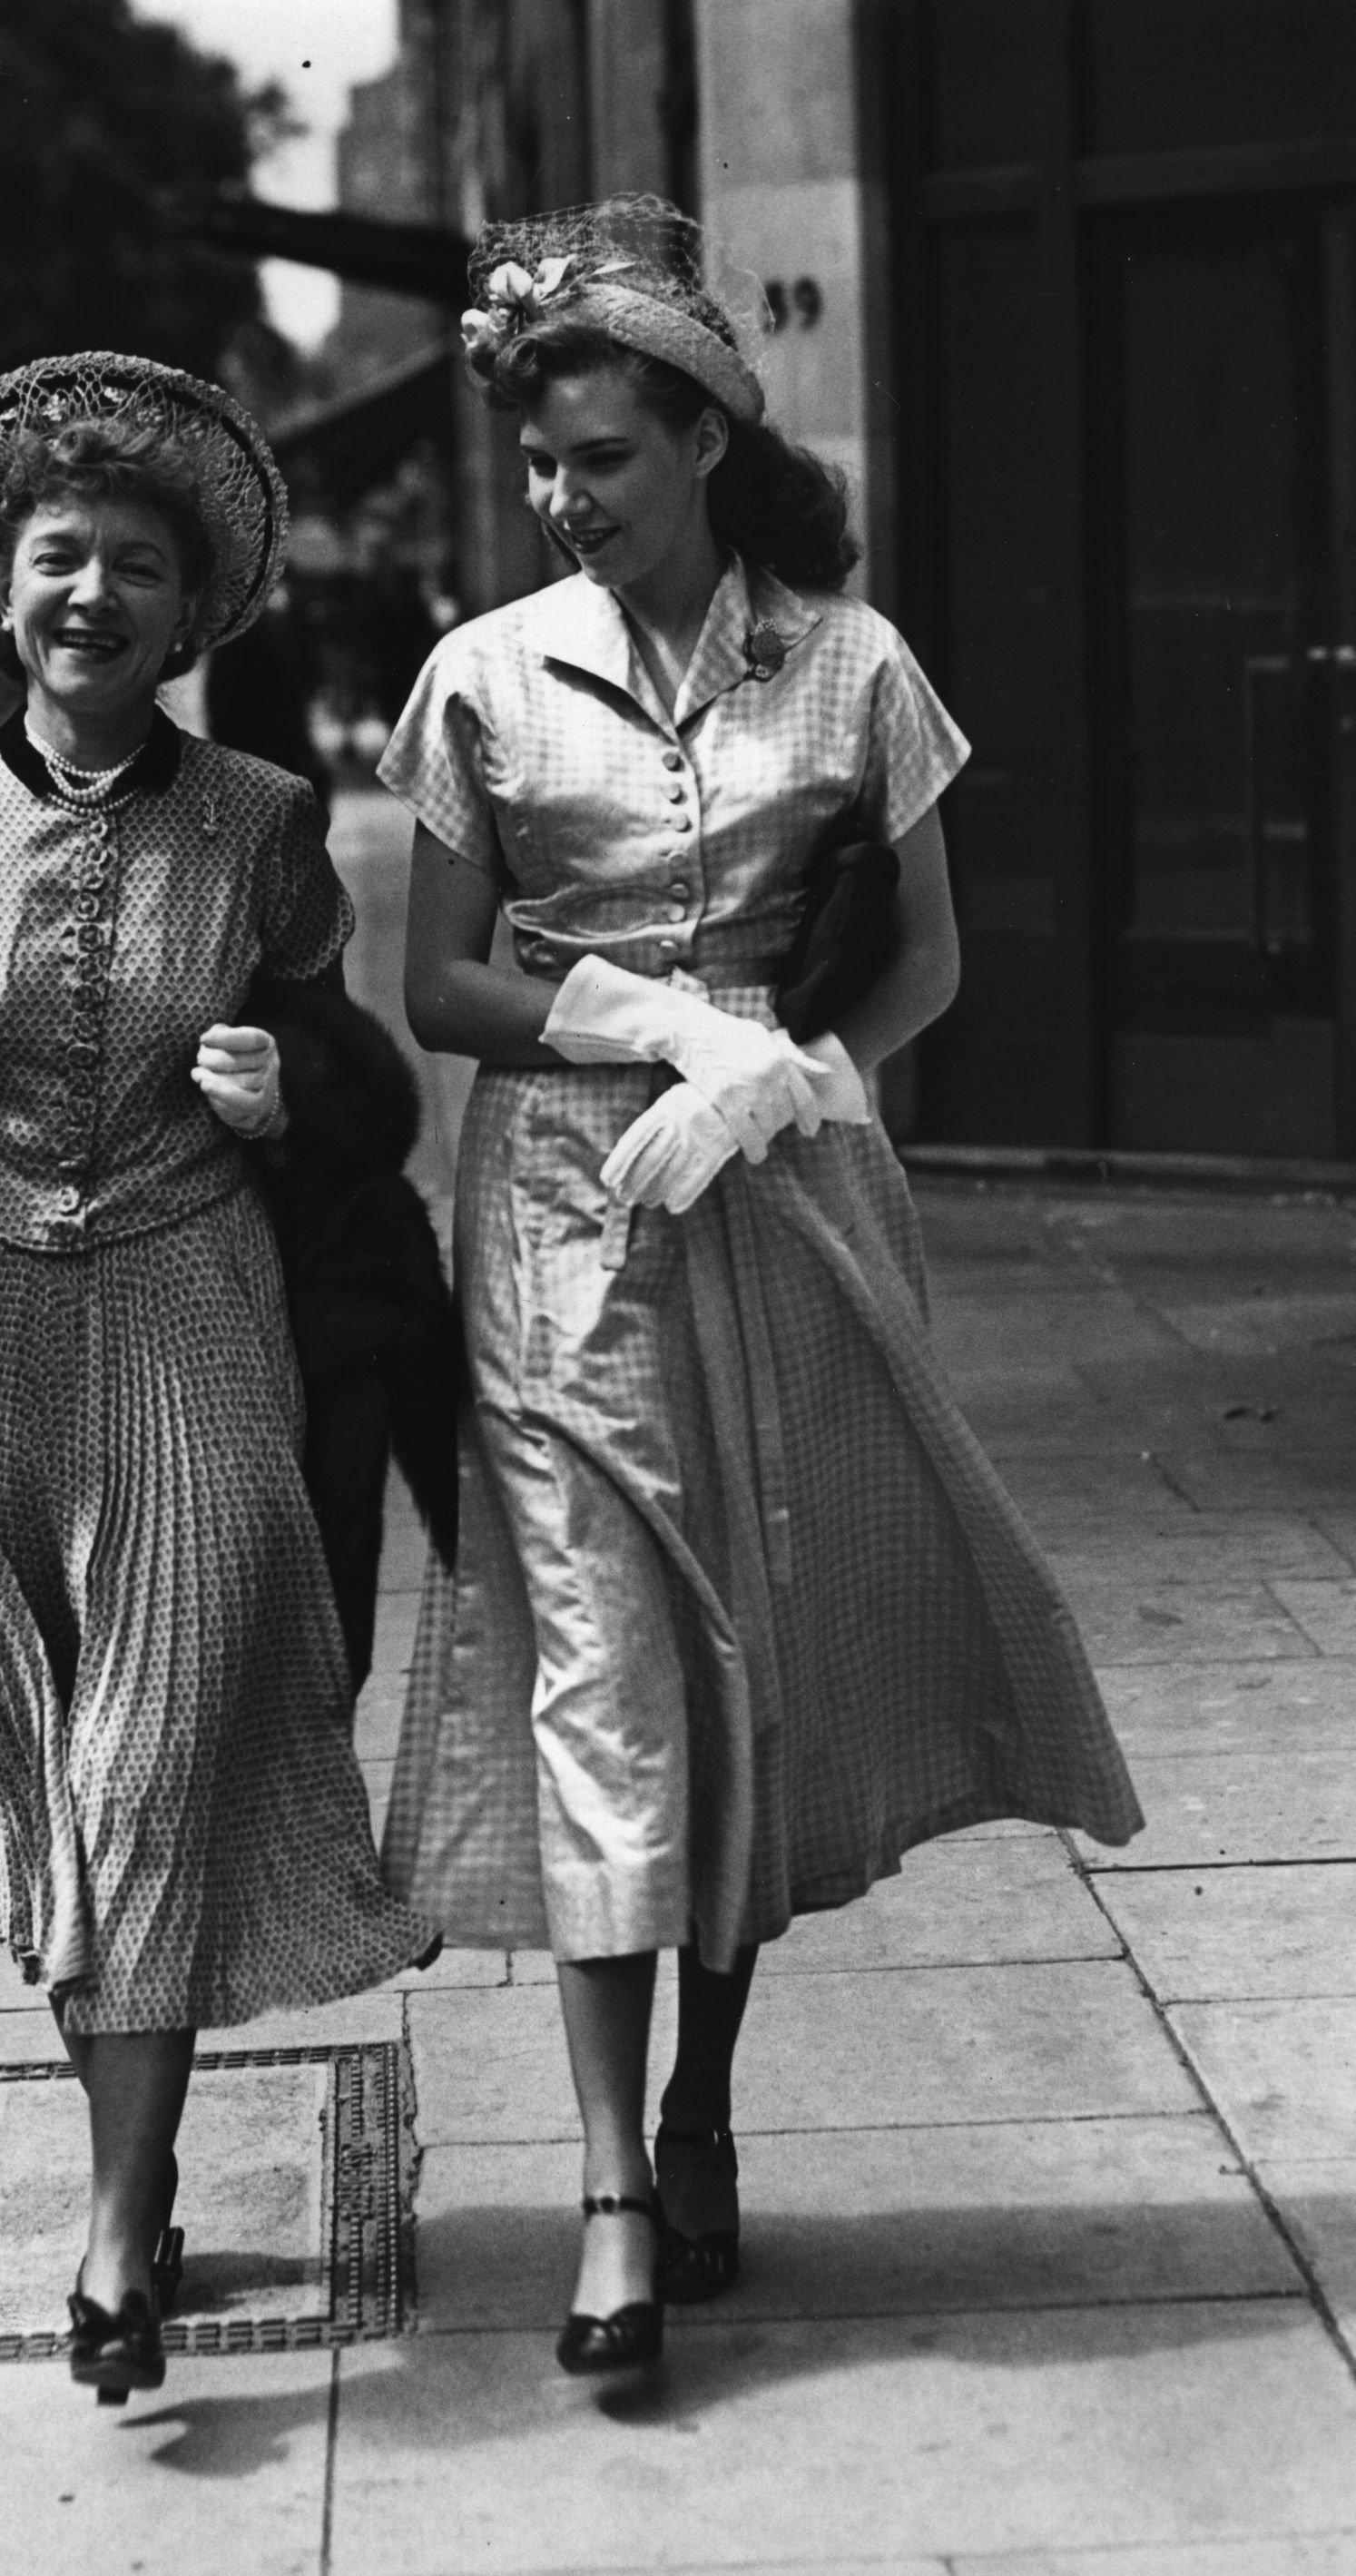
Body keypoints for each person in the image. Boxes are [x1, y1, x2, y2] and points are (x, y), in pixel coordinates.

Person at [378, 199, 1142, 2377]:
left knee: (752, 1670)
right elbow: (439, 982)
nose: (561, 498)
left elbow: (924, 959)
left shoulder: (854, 665)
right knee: (605, 1670)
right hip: (561, 1214)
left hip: (790, 1198)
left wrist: (788, 1071)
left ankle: (700, 2099)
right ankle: (614, 2189)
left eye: (599, 457)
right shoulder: (480, 677)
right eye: (536, 465)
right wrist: (654, 1031)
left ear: (702, 439)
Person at [0, 355, 437, 2401]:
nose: (94, 595)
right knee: (52, 1780)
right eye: (59, 559)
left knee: (147, 1762)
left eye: (138, 562)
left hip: (196, 1321)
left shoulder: (268, 824)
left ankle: (120, 2239)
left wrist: (289, 1085)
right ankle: (148, 2162)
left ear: (191, 599)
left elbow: (365, 1086)